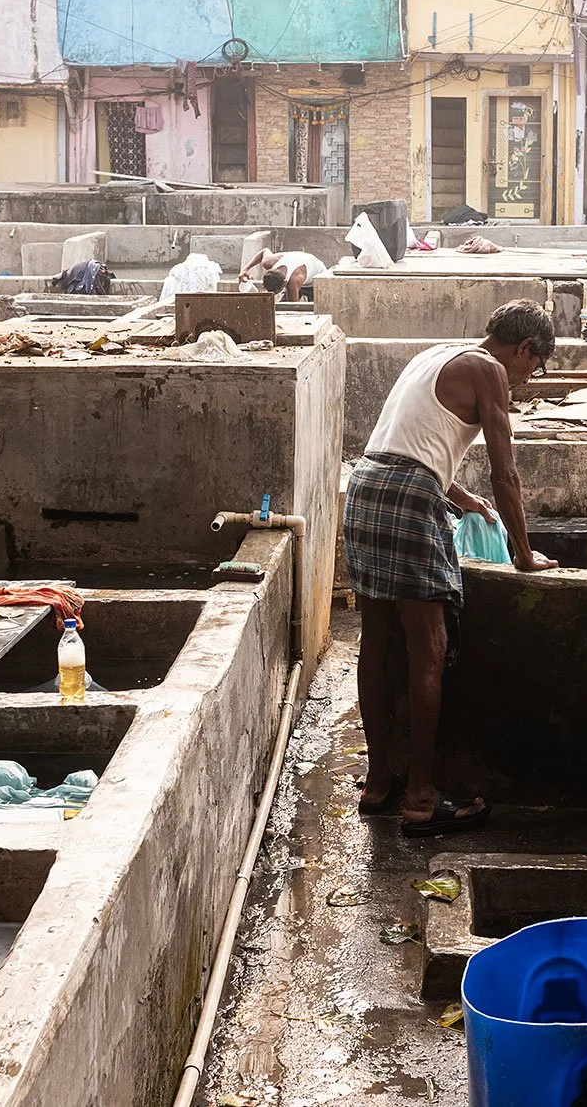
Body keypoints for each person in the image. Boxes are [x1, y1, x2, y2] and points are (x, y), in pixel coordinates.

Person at [346, 300, 557, 838]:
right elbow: (505, 472)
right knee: (429, 649)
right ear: (525, 348)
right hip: (409, 498)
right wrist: (523, 552)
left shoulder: (440, 353)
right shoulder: (490, 371)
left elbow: (408, 443)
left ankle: (378, 782)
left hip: (367, 485)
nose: (527, 380)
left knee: (377, 642)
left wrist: (461, 497)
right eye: (533, 368)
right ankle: (420, 797)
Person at [240, 247, 328, 300]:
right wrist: (245, 269)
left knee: (315, 311)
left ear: (285, 283)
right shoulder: (268, 262)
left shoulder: (293, 282)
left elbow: (294, 309)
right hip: (300, 261)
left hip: (316, 278)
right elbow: (264, 251)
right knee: (282, 305)